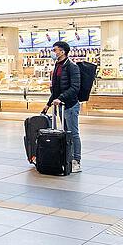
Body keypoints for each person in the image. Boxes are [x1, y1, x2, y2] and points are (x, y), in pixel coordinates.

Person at [42, 41, 82, 173]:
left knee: (73, 133)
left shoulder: (72, 66)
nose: (53, 52)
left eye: (55, 50)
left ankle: (77, 161)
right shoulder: (57, 66)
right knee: (65, 132)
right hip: (61, 105)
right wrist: (48, 104)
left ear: (63, 51)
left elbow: (75, 87)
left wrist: (61, 98)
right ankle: (67, 159)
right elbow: (56, 89)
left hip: (70, 105)